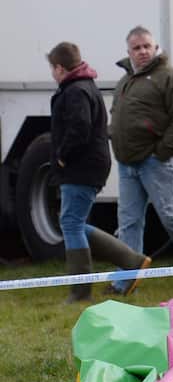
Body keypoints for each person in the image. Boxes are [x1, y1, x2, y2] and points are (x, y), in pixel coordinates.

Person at [109, 26, 173, 291]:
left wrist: (163, 151)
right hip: (128, 164)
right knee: (128, 223)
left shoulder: (170, 77)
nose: (142, 51)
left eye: (147, 46)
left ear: (155, 48)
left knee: (171, 217)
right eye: (137, 48)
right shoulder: (125, 81)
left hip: (156, 163)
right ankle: (125, 281)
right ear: (128, 52)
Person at [47, 42, 152, 302]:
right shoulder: (83, 86)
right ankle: (132, 260)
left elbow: (79, 128)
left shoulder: (75, 91)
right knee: (74, 222)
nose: (52, 73)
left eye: (52, 68)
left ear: (60, 68)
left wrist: (62, 156)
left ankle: (80, 291)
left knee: (71, 223)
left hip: (81, 167)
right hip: (89, 166)